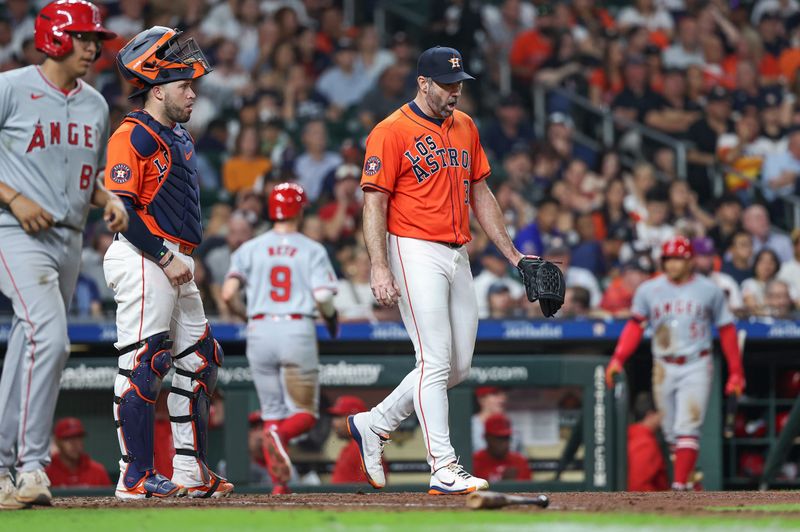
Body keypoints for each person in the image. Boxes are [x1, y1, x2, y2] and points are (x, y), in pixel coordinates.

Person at [348, 46, 529, 495]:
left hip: (456, 252)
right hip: (412, 248)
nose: (455, 93)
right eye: (447, 85)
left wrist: (514, 256)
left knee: (458, 366)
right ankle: (443, 466)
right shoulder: (390, 131)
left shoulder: (466, 126)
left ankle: (375, 423)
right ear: (422, 83)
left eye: (459, 84)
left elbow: (481, 193)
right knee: (433, 359)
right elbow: (375, 201)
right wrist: (379, 265)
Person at [0, 0, 126, 510]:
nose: (93, 47)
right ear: (55, 36)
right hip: (14, 230)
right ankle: (32, 467)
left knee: (27, 345)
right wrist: (12, 197)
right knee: (51, 338)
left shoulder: (95, 103)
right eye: (84, 37)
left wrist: (109, 198)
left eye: (96, 39)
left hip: (69, 239)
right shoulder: (10, 87)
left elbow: (86, 178)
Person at [103, 26, 233, 500]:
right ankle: (134, 475)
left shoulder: (176, 134)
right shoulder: (131, 134)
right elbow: (119, 210)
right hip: (143, 253)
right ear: (157, 90)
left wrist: (173, 258)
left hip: (174, 258)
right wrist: (161, 255)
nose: (193, 92)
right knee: (146, 361)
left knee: (200, 360)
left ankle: (189, 472)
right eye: (184, 85)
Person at [221, 182, 339, 495]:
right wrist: (330, 317)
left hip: (259, 329)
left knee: (271, 411)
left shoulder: (250, 247)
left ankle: (279, 487)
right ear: (299, 210)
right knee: (305, 414)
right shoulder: (311, 248)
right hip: (296, 327)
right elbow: (325, 296)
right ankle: (281, 438)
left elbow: (228, 293)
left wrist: (247, 314)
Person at [606, 236, 745, 491]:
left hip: (696, 362)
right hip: (663, 364)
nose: (672, 265)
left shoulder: (709, 289)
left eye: (678, 259)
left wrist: (736, 371)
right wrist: (618, 358)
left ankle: (679, 485)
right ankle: (690, 482)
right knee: (671, 432)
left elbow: (726, 330)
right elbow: (635, 325)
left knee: (687, 427)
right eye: (668, 259)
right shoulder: (649, 289)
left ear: (690, 260)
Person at [328, 395, 388, 484]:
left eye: (340, 417)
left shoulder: (364, 447)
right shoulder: (354, 446)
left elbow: (371, 490)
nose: (334, 423)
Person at [45, 418, 111, 488]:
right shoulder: (47, 472)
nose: (74, 443)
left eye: (78, 437)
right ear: (57, 442)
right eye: (68, 438)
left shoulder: (98, 471)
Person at [627, 393, 668, 492]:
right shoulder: (645, 442)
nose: (661, 419)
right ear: (650, 415)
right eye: (659, 414)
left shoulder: (632, 435)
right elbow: (638, 486)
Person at [472, 413, 531, 483]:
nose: (503, 443)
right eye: (498, 438)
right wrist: (503, 482)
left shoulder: (519, 461)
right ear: (487, 438)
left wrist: (513, 484)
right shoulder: (475, 462)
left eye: (506, 438)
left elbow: (528, 492)